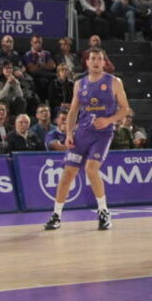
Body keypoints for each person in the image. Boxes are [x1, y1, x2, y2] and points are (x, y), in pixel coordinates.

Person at [43, 48, 132, 232]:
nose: (97, 62)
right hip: (81, 134)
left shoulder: (114, 82)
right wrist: (68, 134)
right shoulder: (79, 84)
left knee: (91, 170)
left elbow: (124, 109)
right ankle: (56, 215)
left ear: (104, 62)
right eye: (93, 59)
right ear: (87, 62)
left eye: (100, 59)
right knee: (68, 173)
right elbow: (73, 111)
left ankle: (103, 212)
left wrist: (108, 120)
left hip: (102, 133)